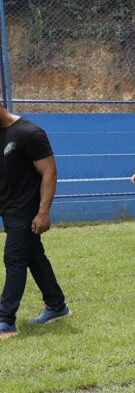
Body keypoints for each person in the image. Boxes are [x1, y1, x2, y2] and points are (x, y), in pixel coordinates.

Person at [0, 99, 70, 338]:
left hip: (26, 209)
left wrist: (43, 211)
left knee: (14, 258)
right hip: (8, 208)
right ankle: (57, 305)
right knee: (33, 256)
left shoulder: (29, 132)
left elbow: (49, 171)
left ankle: (5, 320)